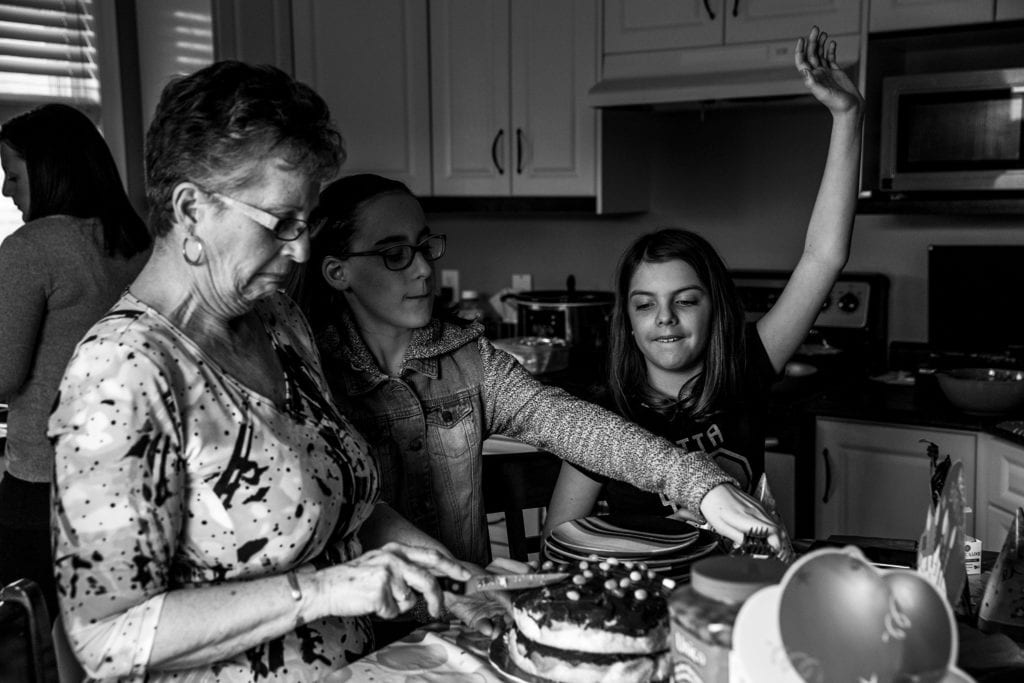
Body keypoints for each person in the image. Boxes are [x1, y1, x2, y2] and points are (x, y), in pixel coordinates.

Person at [48, 61, 502, 682]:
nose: (302, 250)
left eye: (306, 222)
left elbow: (348, 509)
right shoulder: (123, 374)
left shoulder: (278, 319)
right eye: (280, 222)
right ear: (190, 208)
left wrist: (457, 579)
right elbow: (104, 638)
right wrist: (319, 591)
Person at [299, 173, 782, 573]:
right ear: (337, 272)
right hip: (360, 630)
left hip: (465, 617)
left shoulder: (471, 362)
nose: (424, 267)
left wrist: (706, 488)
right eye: (395, 253)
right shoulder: (307, 375)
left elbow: (583, 429)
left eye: (424, 246)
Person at [543, 26, 863, 533]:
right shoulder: (604, 416)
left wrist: (847, 116)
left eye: (685, 301)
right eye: (644, 304)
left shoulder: (745, 370)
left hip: (738, 586)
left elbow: (823, 257)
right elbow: (558, 539)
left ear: (714, 307)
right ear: (626, 320)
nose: (664, 318)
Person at [0, 104, 152, 621]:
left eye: (12, 175)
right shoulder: (136, 243)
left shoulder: (32, 247)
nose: (5, 190)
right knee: (114, 632)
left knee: (40, 637)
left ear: (48, 173)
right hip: (131, 471)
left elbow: (3, 375)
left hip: (47, 481)